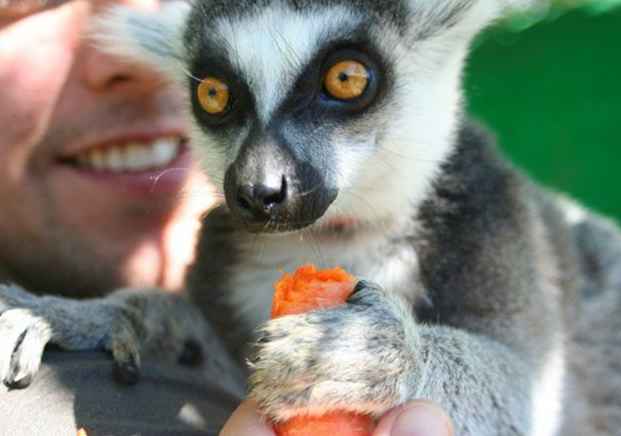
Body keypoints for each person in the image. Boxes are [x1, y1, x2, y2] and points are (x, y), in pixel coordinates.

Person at [0, 1, 454, 435]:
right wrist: (131, 320)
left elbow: (515, 391)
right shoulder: (221, 254)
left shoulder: (477, 229)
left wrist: (409, 362)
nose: (264, 178)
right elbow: (219, 354)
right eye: (216, 95)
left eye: (345, 80)